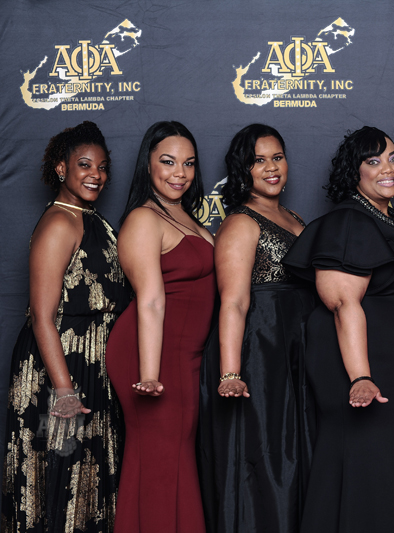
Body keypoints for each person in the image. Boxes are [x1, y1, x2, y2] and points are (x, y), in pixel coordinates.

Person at [282, 126, 394, 533]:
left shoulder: (393, 220)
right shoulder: (348, 221)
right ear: (354, 172)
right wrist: (361, 377)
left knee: (382, 463)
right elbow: (342, 302)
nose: (388, 168)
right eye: (373, 161)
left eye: (393, 158)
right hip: (361, 369)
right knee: (362, 462)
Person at [2, 122, 129, 533]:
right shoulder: (60, 223)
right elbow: (42, 316)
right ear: (62, 168)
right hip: (61, 367)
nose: (96, 175)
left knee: (88, 481)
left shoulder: (92, 220)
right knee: (63, 477)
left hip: (93, 364)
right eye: (85, 165)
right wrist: (64, 391)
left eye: (103, 167)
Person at [197, 124, 315, 533]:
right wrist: (230, 372)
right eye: (259, 160)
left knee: (297, 450)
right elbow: (233, 300)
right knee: (267, 451)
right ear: (243, 169)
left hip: (298, 346)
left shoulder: (293, 217)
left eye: (277, 157)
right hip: (262, 350)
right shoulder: (240, 223)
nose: (271, 168)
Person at [105, 121, 215, 533]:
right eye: (168, 162)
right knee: (160, 458)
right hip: (149, 352)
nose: (179, 173)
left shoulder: (185, 216)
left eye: (188, 163)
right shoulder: (143, 218)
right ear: (147, 164)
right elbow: (151, 299)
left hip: (186, 356)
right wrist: (149, 375)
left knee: (174, 457)